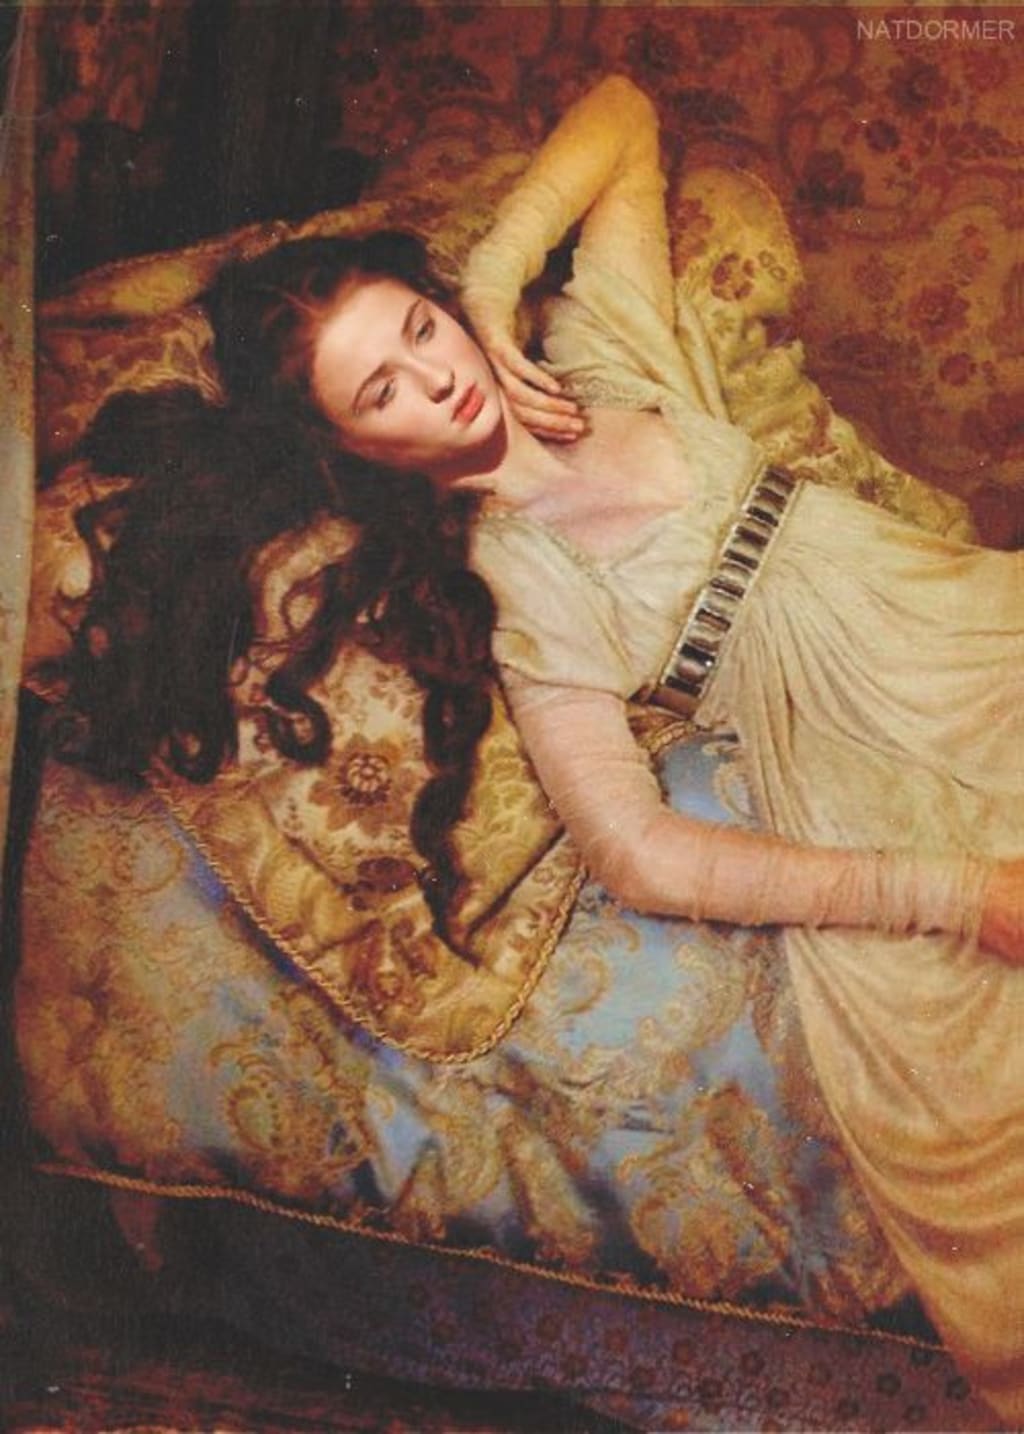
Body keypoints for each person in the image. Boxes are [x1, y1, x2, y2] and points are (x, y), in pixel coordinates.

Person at [61, 75, 1023, 1418]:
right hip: (863, 737)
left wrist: (497, 279)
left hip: (976, 624)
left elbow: (623, 116)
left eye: (420, 330)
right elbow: (637, 852)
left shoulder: (604, 354)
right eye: (382, 389)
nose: (438, 379)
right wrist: (954, 896)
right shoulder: (518, 584)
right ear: (354, 448)